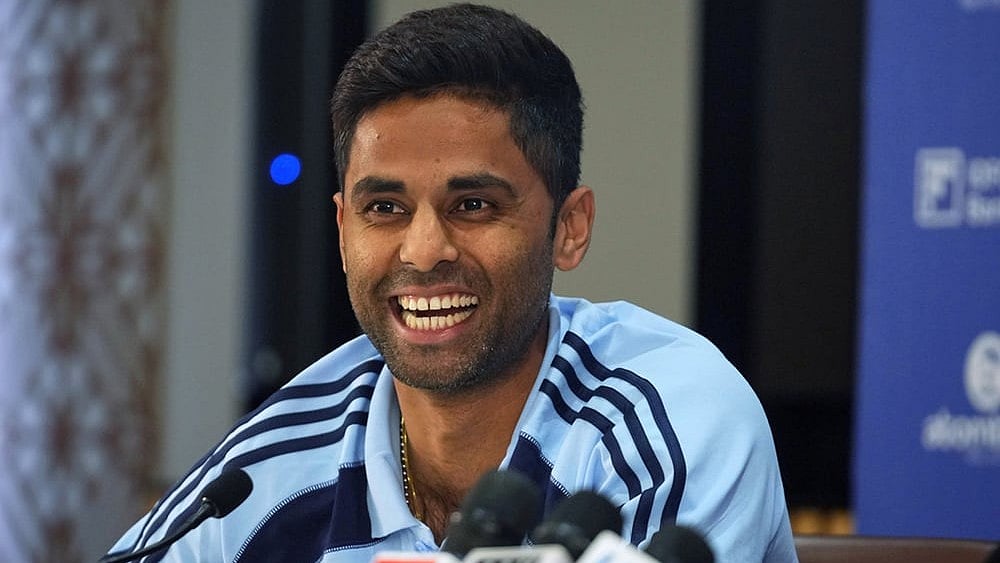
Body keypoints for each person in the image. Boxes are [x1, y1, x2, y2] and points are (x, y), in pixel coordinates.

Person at [106, 4, 797, 562]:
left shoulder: (670, 418)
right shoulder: (271, 466)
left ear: (570, 226)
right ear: (343, 230)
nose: (425, 250)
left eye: (473, 205)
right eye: (385, 208)